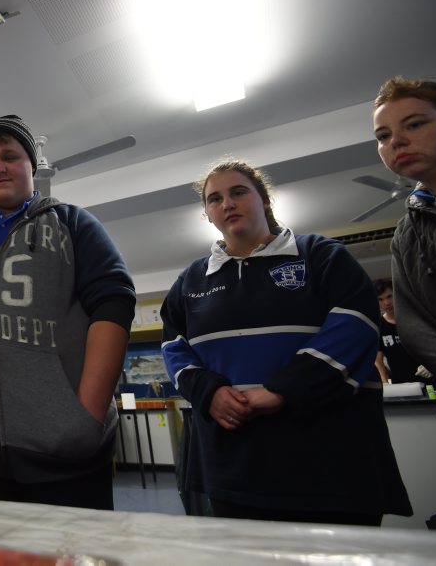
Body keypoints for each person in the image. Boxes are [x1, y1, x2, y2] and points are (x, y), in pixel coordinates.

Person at [161, 159, 410, 525]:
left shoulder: (322, 256)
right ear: (208, 214)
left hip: (332, 465)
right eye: (215, 199)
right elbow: (174, 349)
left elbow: (356, 329)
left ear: (264, 199)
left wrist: (282, 391)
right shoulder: (190, 281)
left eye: (239, 192)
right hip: (234, 468)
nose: (227, 203)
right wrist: (208, 392)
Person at [0, 114, 136, 510]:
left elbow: (114, 303)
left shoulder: (74, 223)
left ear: (31, 164)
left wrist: (86, 416)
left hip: (70, 458)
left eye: (10, 156)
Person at [373, 76, 436, 509]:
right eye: (383, 136)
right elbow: (414, 322)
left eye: (415, 124)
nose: (396, 141)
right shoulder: (407, 234)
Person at [372, 278, 432, 384]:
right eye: (380, 299)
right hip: (401, 386)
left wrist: (432, 366)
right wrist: (385, 383)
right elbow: (378, 361)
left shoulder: (416, 318)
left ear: (396, 294)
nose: (386, 303)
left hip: (428, 381)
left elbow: (434, 346)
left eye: (389, 296)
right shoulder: (379, 326)